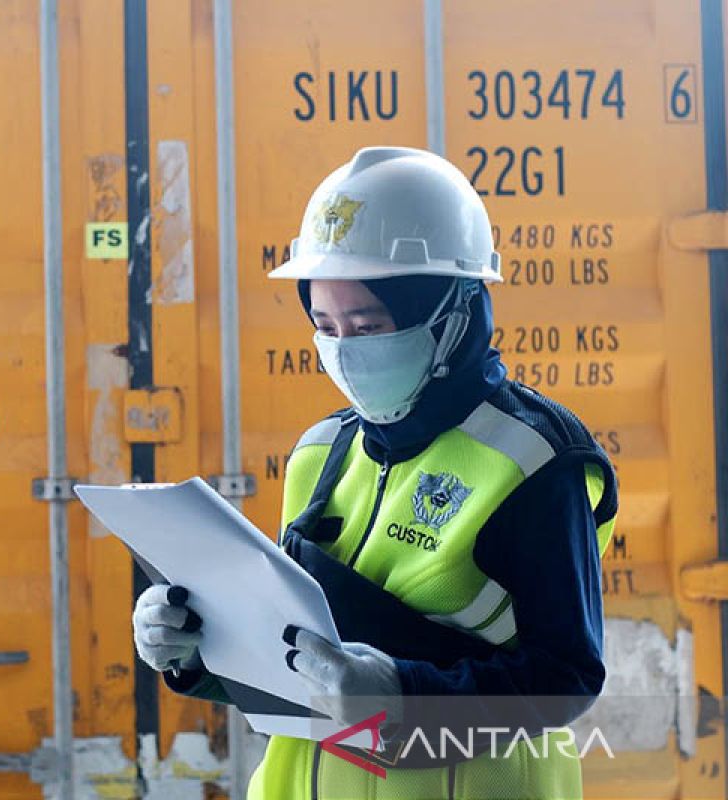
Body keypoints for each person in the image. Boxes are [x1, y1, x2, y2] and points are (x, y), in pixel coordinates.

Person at [131, 147, 618, 799]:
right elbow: (297, 668)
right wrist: (195, 652)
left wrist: (405, 698)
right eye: (325, 326)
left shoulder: (532, 460)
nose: (343, 351)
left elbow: (565, 675)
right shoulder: (321, 453)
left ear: (450, 313)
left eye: (368, 326)